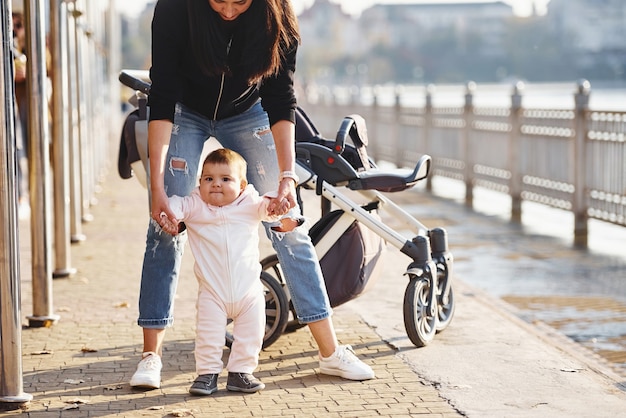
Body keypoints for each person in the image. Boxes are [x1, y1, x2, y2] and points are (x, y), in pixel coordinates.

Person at [129, 0, 375, 390]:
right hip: (184, 112)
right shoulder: (176, 7)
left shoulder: (278, 16)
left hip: (249, 113)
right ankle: (150, 356)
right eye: (218, 1)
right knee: (163, 226)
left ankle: (330, 352)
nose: (227, 11)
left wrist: (288, 177)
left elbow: (281, 98)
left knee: (288, 222)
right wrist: (157, 189)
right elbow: (162, 97)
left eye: (239, 2)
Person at [164, 148, 285, 395]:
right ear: (200, 183)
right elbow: (176, 205)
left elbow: (268, 208)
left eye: (225, 179)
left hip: (248, 291)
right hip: (213, 292)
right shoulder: (195, 205)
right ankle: (206, 374)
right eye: (209, 179)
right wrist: (170, 213)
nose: (216, 185)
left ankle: (241, 373)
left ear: (241, 185)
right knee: (208, 335)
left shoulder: (250, 203)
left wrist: (279, 207)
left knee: (251, 334)